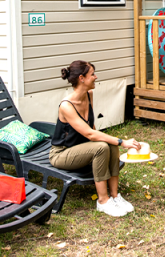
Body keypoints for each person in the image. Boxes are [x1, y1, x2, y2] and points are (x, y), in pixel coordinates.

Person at [49, 60, 141, 217]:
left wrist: (113, 142)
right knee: (102, 147)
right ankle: (103, 201)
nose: (96, 77)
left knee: (110, 144)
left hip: (81, 148)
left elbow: (92, 128)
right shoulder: (66, 105)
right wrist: (122, 142)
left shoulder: (89, 94)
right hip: (61, 154)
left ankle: (114, 196)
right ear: (81, 78)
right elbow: (89, 134)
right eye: (92, 74)